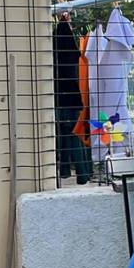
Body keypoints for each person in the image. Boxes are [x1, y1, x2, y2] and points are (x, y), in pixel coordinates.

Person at [53, 12, 92, 184]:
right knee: (73, 136)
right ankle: (82, 173)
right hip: (69, 98)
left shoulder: (57, 43)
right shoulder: (66, 42)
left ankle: (66, 171)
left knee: (64, 135)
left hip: (61, 98)